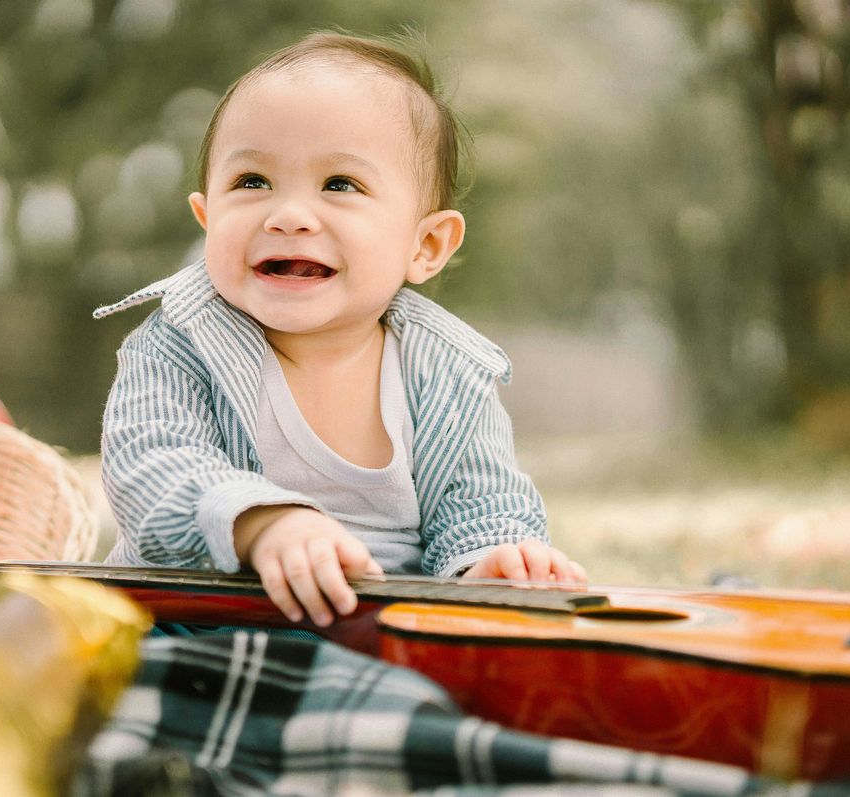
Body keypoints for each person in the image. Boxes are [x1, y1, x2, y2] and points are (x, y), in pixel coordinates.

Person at [95, 30, 585, 630]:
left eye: (340, 185)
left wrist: (490, 561)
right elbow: (151, 464)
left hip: (381, 633)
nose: (289, 216)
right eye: (251, 182)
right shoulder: (178, 343)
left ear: (425, 245)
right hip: (202, 623)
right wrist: (261, 522)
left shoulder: (449, 374)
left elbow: (480, 502)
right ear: (207, 215)